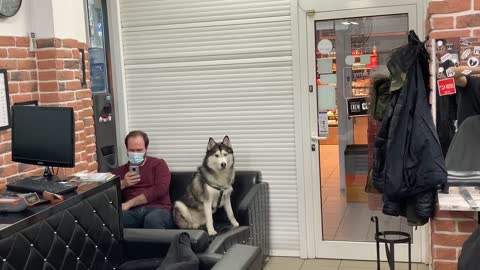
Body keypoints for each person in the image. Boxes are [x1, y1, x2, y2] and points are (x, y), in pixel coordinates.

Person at [112, 130, 175, 229]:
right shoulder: (118, 172)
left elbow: (160, 189)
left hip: (158, 209)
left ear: (146, 149)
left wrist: (128, 204)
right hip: (132, 212)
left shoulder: (159, 164)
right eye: (132, 150)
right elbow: (107, 195)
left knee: (152, 220)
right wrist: (123, 183)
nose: (135, 153)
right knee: (114, 220)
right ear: (126, 149)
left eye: (139, 150)